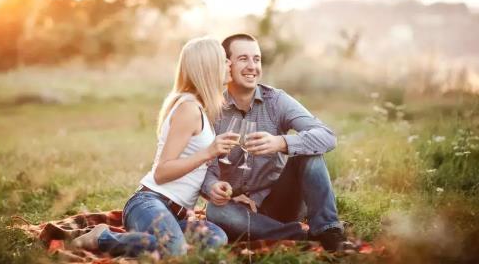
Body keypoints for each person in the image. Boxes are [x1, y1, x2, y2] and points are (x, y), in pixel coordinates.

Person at [67, 37, 238, 257]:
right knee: (173, 252)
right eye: (224, 60)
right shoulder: (188, 108)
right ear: (209, 67)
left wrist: (215, 186)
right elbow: (161, 172)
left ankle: (147, 240)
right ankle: (102, 237)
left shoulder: (200, 109)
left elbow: (192, 173)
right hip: (149, 203)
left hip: (176, 214)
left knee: (217, 239)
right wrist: (209, 152)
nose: (230, 64)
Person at [201, 33, 348, 252]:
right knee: (215, 211)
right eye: (243, 59)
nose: (253, 66)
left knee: (309, 154)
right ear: (226, 65)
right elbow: (205, 167)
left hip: (280, 201)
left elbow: (327, 136)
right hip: (236, 209)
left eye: (257, 59)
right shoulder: (212, 110)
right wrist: (214, 187)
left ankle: (328, 229)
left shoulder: (277, 101)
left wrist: (282, 142)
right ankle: (301, 235)